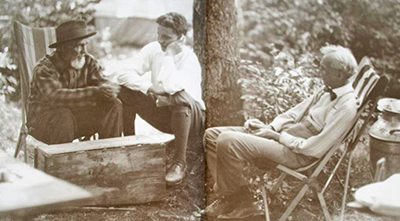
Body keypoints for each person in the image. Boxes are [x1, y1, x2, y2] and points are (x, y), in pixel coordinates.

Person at [204, 45, 359, 218]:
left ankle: (235, 199)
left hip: (297, 153)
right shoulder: (328, 89)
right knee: (211, 135)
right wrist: (270, 127)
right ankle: (240, 198)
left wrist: (277, 136)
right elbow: (294, 113)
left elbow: (314, 149)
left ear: (339, 74)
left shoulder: (346, 106)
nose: (319, 71)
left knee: (227, 140)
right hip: (288, 136)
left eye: (323, 69)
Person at [117, 12, 205, 186]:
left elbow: (173, 88)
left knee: (179, 98)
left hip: (191, 119)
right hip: (164, 112)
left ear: (181, 39)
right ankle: (130, 146)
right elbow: (123, 74)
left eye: (166, 37)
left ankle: (179, 163)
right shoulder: (153, 49)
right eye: (159, 34)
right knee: (124, 91)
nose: (160, 40)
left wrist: (168, 56)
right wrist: (148, 88)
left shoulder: (190, 60)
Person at [27, 20, 123, 145]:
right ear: (64, 48)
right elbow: (55, 97)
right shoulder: (45, 68)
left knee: (114, 104)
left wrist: (108, 88)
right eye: (80, 46)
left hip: (76, 120)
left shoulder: (88, 62)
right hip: (44, 123)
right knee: (63, 115)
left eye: (85, 45)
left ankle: (109, 156)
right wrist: (94, 92)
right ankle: (62, 163)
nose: (84, 51)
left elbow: (100, 82)